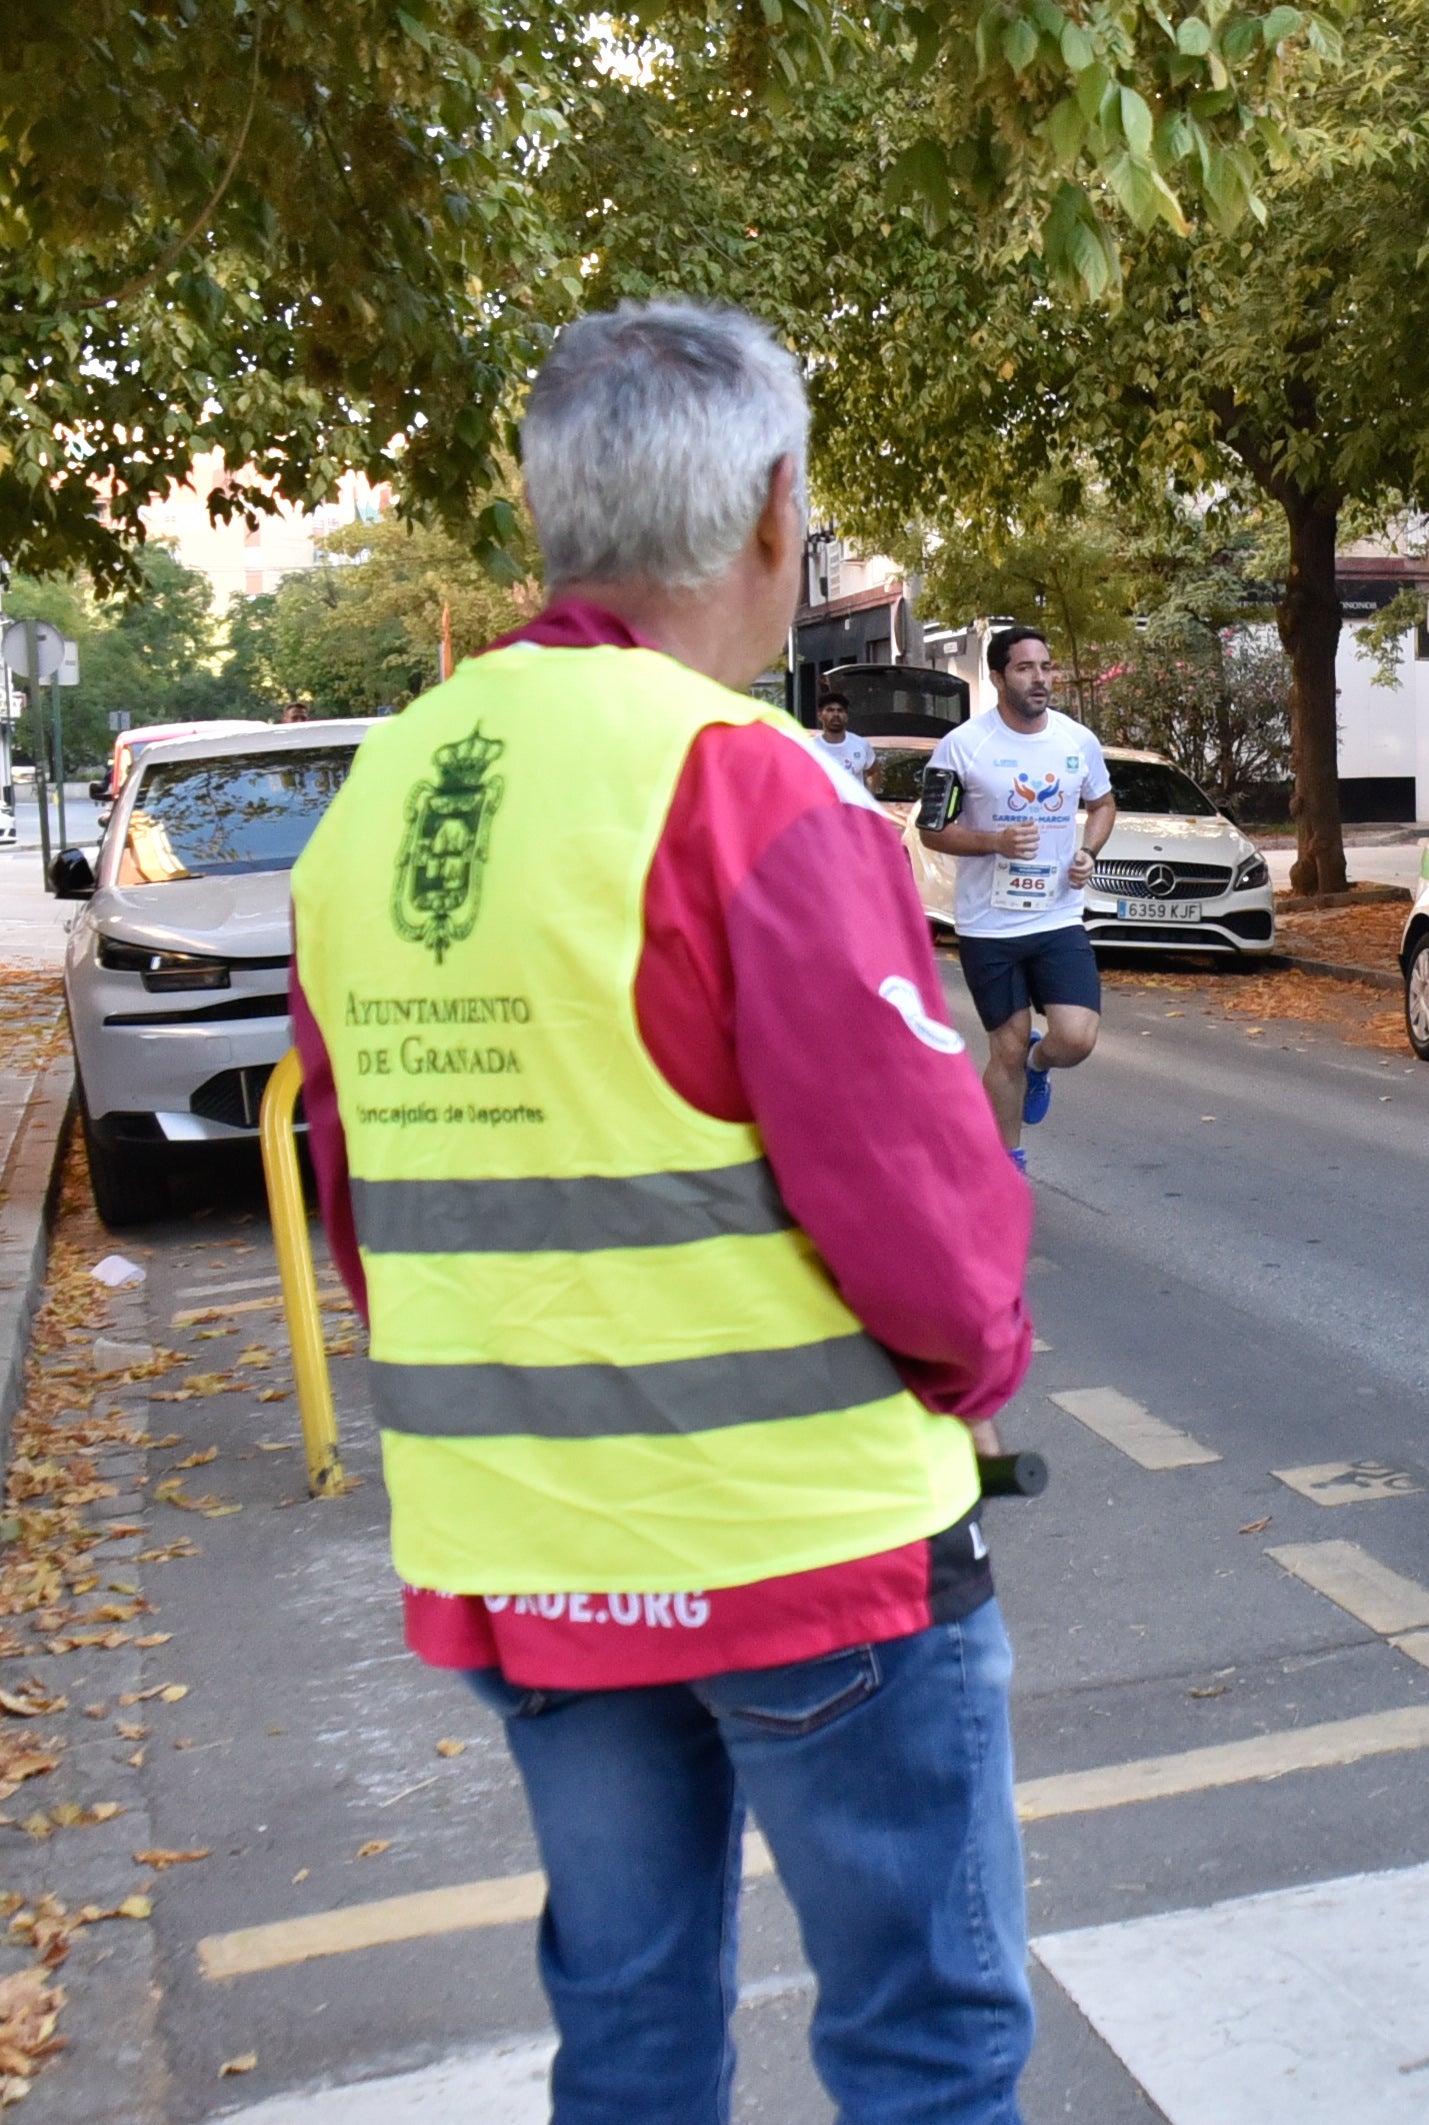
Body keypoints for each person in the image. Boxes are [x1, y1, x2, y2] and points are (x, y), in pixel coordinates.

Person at [288, 301, 1037, 2121]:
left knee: (628, 2035)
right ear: (778, 510)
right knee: (923, 2039)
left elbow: (353, 1192)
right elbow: (929, 1230)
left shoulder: (371, 800)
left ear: (552, 517)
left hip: (528, 1550)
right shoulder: (750, 786)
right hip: (805, 1554)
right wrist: (977, 1368)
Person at [922, 627, 1118, 1168]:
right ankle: (1008, 1167)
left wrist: (1089, 851)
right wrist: (994, 841)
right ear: (998, 676)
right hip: (989, 926)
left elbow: (1102, 804)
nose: (1041, 679)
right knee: (1002, 1049)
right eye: (1026, 668)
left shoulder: (1077, 741)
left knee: (1076, 1038)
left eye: (1046, 667)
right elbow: (931, 830)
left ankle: (1040, 1062)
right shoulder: (962, 746)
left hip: (1057, 918)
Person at [811, 695, 877, 786]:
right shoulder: (810, 747)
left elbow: (874, 772)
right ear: (820, 716)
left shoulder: (861, 744)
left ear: (846, 716)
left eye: (840, 710)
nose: (836, 714)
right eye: (830, 710)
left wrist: (869, 797)